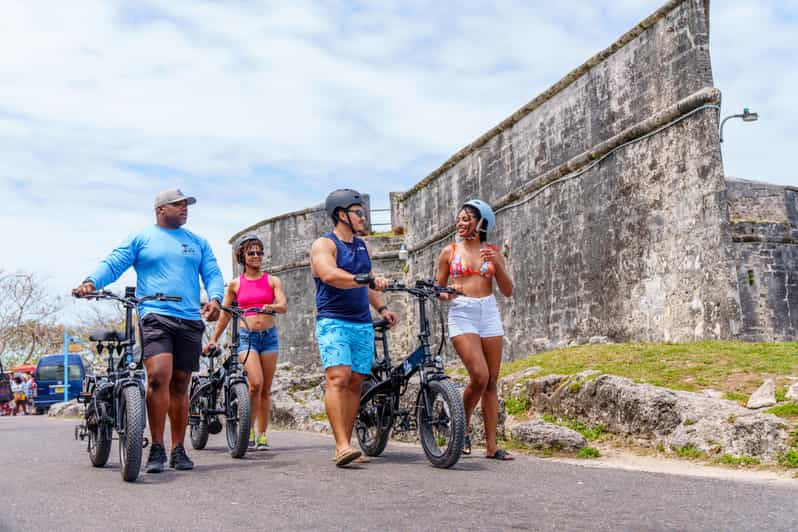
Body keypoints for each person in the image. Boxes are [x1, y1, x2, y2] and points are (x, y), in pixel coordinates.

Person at [73, 188, 224, 473]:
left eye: (186, 205)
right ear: (160, 210)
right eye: (177, 205)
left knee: (181, 383)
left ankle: (178, 450)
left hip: (190, 318)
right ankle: (156, 447)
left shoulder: (198, 242)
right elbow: (115, 262)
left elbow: (213, 273)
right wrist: (91, 282)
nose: (184, 208)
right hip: (155, 315)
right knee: (157, 376)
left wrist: (216, 298)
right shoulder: (141, 238)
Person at [310, 188, 398, 467]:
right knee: (339, 376)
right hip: (333, 320)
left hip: (361, 322)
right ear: (341, 214)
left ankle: (347, 445)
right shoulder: (325, 245)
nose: (364, 217)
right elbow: (328, 273)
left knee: (356, 382)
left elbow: (367, 282)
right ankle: (340, 445)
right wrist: (365, 279)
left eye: (363, 212)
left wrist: (382, 308)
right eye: (359, 212)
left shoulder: (362, 246)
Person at [436, 199, 514, 461]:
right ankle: (462, 428)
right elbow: (439, 289)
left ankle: (492, 447)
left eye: (467, 218)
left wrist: (499, 265)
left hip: (488, 312)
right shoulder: (449, 251)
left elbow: (507, 290)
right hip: (462, 313)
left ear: (481, 223)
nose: (461, 222)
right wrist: (449, 293)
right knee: (479, 376)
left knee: (491, 382)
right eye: (459, 218)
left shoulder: (492, 252)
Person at [207, 233, 287, 451]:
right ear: (241, 256)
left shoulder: (272, 280)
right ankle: (247, 431)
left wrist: (272, 307)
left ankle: (262, 436)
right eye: (251, 253)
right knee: (255, 384)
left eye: (259, 252)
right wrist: (213, 339)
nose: (256, 256)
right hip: (246, 337)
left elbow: (283, 305)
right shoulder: (235, 284)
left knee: (266, 389)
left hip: (269, 337)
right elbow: (225, 314)